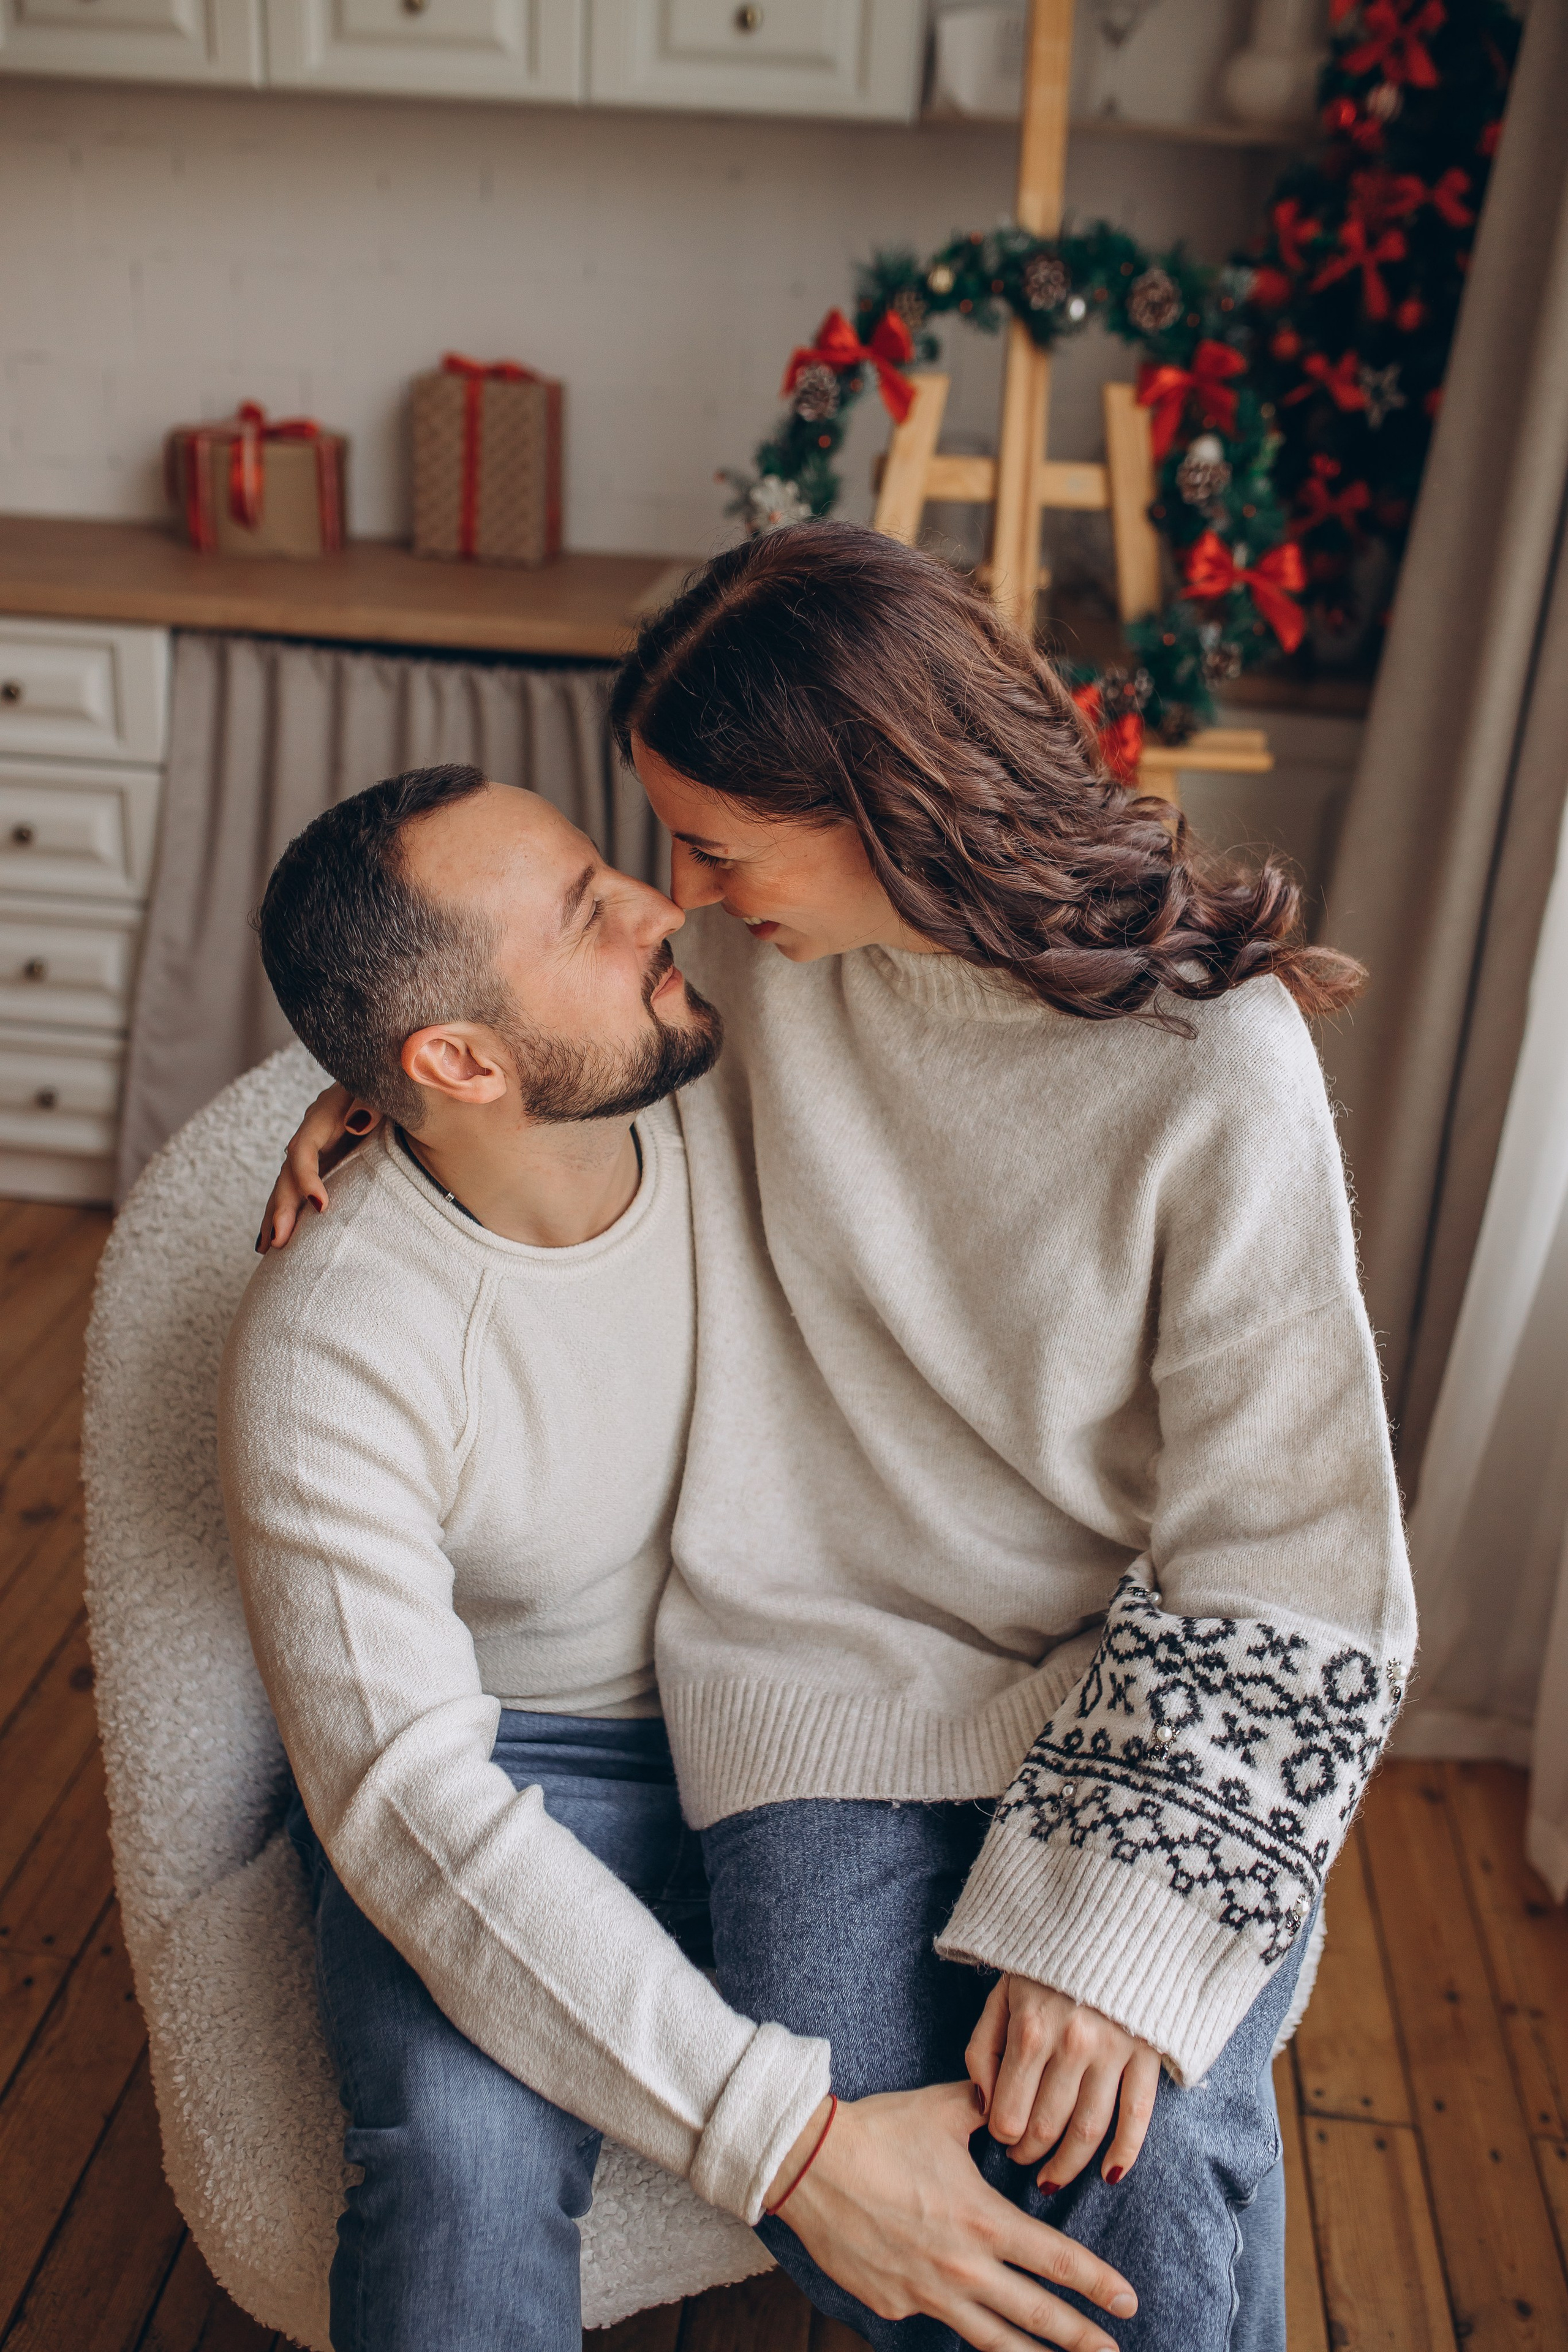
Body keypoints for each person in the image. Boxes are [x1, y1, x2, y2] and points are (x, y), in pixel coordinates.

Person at [266, 523, 1416, 2352]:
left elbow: (1300, 1556)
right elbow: (513, 1032)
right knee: (901, 2205)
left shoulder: (1219, 1071)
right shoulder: (769, 980)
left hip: (1128, 1677)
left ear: (892, 807)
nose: (684, 897)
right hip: (817, 1683)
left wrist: (1110, 1934)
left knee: (1141, 2143)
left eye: (714, 847)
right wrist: (380, 1091)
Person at [224, 760, 1137, 2352]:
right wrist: (793, 2144)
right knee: (456, 2168)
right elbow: (410, 1805)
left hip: (824, 1713)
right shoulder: (335, 1346)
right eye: (592, 915)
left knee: (1072, 2105)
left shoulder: (727, 1063)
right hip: (517, 1782)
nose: (669, 905)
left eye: (612, 864)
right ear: (457, 1056)